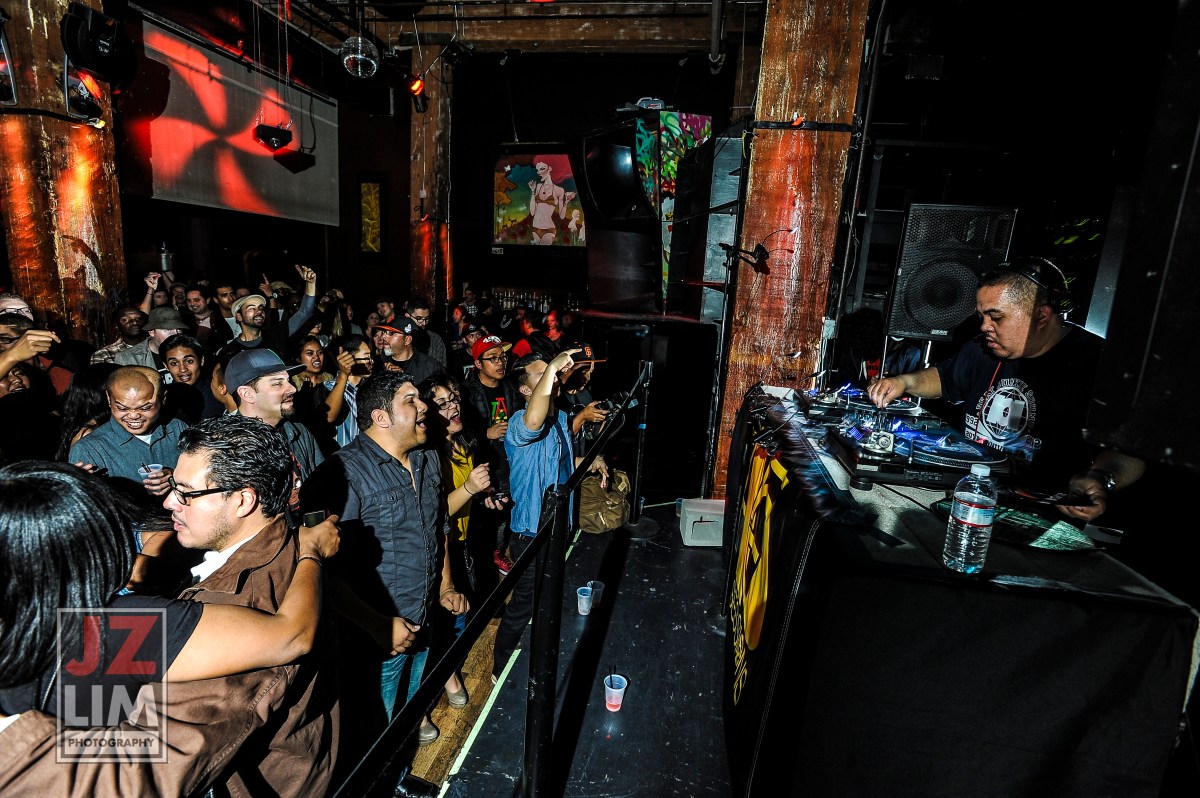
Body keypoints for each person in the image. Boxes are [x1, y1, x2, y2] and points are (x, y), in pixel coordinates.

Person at [0, 435, 341, 795]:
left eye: (186, 493)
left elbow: (146, 770)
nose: (168, 502)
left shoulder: (242, 600)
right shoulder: (135, 614)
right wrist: (311, 553)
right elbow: (290, 633)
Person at [866, 256, 1145, 523]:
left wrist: (1102, 478)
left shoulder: (1097, 365)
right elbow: (944, 378)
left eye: (996, 317)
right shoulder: (982, 350)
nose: (984, 326)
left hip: (1043, 517)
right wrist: (905, 382)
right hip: (972, 501)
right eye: (981, 316)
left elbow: (1129, 450)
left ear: (1041, 315)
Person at [301, 372, 466, 749]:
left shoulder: (426, 457)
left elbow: (438, 527)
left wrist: (446, 586)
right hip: (374, 637)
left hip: (424, 614)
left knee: (410, 700)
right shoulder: (341, 474)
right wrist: (377, 624)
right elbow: (319, 569)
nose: (424, 406)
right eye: (411, 400)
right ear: (381, 417)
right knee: (374, 730)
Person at [492, 350, 607, 683]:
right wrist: (554, 365)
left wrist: (589, 461)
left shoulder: (559, 419)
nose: (553, 378)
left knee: (548, 598)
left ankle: (536, 656)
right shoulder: (519, 421)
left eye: (553, 373)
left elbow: (560, 463)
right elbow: (533, 422)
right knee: (523, 605)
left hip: (557, 526)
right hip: (530, 533)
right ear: (526, 390)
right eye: (543, 375)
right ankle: (500, 669)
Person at [418, 373, 496, 709]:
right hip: (439, 547)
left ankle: (447, 667)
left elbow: (467, 494)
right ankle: (444, 678)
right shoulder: (429, 453)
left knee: (459, 612)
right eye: (442, 403)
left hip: (462, 540)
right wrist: (469, 489)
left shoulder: (462, 442)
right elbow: (434, 514)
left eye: (454, 399)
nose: (453, 407)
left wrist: (484, 495)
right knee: (443, 617)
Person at [68, 366, 187, 507]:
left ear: (163, 398)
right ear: (109, 399)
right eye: (122, 408)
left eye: (145, 408)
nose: (133, 415)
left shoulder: (177, 429)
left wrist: (174, 477)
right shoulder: (89, 449)